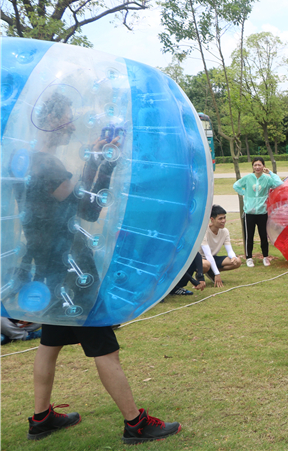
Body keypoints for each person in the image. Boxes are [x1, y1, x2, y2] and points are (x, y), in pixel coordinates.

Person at [21, 91, 180, 443]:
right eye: (66, 116)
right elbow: (89, 208)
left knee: (50, 342)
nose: (71, 124)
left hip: (50, 266)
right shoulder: (47, 166)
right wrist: (106, 164)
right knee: (104, 344)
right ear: (48, 121)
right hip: (70, 269)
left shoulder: (36, 161)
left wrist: (95, 162)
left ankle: (41, 417)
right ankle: (135, 423)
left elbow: (72, 199)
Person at [232, 158, 282, 267]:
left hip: (262, 212)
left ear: (263, 166)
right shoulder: (248, 178)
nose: (257, 167)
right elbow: (236, 185)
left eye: (259, 165)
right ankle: (249, 258)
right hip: (249, 213)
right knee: (249, 236)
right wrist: (245, 193)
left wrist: (270, 173)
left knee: (263, 236)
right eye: (255, 165)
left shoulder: (267, 179)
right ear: (252, 166)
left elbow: (279, 184)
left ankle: (265, 257)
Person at [201, 205, 242, 287]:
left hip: (213, 258)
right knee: (206, 265)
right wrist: (217, 274)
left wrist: (233, 257)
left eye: (224, 218)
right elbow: (207, 255)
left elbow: (229, 250)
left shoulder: (225, 231)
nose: (223, 221)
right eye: (220, 218)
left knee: (237, 261)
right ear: (212, 219)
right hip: (201, 259)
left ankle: (210, 272)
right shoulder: (204, 231)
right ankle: (200, 274)